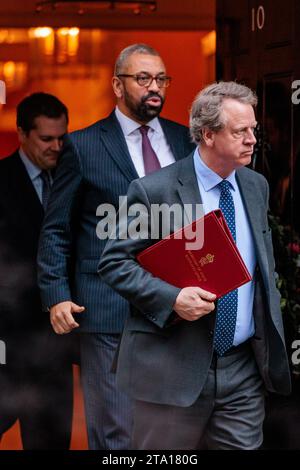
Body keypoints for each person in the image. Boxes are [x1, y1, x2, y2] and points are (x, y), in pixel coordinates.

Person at [98, 81, 291, 450]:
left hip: (243, 370)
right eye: (240, 132)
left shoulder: (255, 186)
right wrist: (172, 298)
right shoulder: (154, 190)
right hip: (171, 369)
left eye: (254, 130)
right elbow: (114, 262)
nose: (252, 139)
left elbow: (264, 266)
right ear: (207, 134)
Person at [37, 43, 195, 450]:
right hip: (107, 306)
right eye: (143, 78)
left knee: (169, 431)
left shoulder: (186, 141)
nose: (154, 87)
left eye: (161, 78)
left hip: (176, 305)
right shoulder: (83, 145)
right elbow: (57, 228)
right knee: (114, 432)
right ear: (117, 86)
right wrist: (56, 295)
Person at [0, 92, 73, 449]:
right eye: (46, 139)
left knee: (50, 441)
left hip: (55, 341)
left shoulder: (75, 180)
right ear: (22, 134)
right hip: (6, 336)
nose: (56, 147)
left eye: (62, 138)